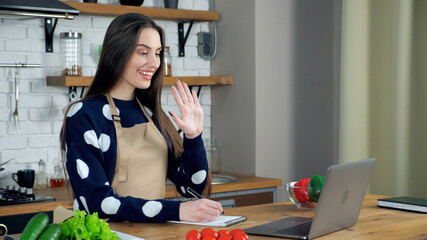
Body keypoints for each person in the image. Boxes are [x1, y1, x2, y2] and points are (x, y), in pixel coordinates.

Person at [60, 13, 223, 223]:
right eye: (143, 52)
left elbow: (191, 187)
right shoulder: (84, 115)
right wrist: (177, 211)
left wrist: (194, 137)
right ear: (117, 53)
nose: (154, 63)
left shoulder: (151, 113)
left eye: (158, 53)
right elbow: (98, 203)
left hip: (153, 234)